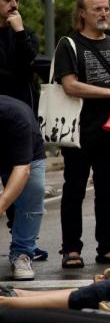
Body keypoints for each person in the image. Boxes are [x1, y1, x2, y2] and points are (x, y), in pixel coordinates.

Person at [54, 0, 110, 269]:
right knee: (74, 190)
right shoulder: (69, 44)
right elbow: (70, 85)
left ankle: (108, 247)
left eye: (107, 8)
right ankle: (71, 249)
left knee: (109, 192)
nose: (104, 13)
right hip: (78, 131)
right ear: (82, 13)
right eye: (97, 9)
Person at [0, 96, 46, 280]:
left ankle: (22, 253)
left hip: (27, 159)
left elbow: (22, 169)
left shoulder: (14, 116)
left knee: (33, 194)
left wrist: (2, 204)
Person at [0, 0, 40, 106]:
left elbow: (32, 67)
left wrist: (20, 33)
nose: (14, 5)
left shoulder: (26, 33)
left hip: (23, 106)